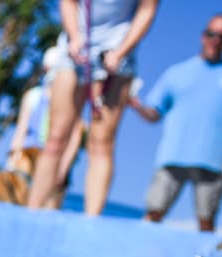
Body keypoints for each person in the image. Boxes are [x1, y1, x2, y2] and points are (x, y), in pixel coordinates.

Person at [26, 0, 159, 215]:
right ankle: (32, 213)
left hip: (118, 56)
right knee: (56, 138)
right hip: (76, 49)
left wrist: (121, 51)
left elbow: (147, 10)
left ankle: (91, 223)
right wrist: (75, 36)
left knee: (101, 144)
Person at [129, 13, 222, 232]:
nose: (215, 40)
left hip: (212, 161)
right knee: (152, 215)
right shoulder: (176, 73)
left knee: (206, 224)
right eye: (211, 34)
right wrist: (135, 105)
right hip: (172, 158)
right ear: (202, 36)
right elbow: (154, 113)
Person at [6, 45, 85, 209]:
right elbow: (21, 130)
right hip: (28, 160)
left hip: (56, 163)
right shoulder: (33, 96)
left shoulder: (71, 101)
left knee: (49, 209)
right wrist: (12, 159)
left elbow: (75, 137)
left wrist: (63, 168)